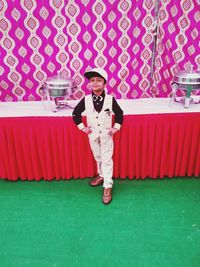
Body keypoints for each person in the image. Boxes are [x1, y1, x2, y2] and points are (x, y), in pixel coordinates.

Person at [72, 68, 123, 205]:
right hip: (93, 135)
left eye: (99, 80)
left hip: (106, 136)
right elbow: (75, 114)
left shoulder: (110, 99)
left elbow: (120, 114)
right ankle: (101, 175)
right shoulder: (86, 100)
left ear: (104, 84)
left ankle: (107, 186)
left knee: (107, 159)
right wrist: (82, 127)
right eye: (92, 80)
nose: (95, 83)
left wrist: (115, 128)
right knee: (98, 157)